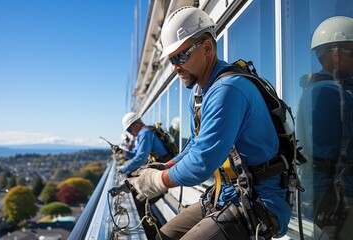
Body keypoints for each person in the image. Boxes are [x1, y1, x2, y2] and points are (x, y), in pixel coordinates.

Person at [126, 6, 290, 240]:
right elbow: (195, 145)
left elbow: (201, 162)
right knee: (162, 235)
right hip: (226, 196)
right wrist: (167, 166)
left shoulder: (228, 90)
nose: (175, 67)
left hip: (259, 204)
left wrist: (158, 181)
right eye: (172, 58)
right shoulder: (201, 94)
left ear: (207, 48)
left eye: (181, 56)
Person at [296, 16, 353, 239]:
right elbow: (321, 160)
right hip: (339, 208)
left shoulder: (327, 91)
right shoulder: (328, 94)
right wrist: (324, 206)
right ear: (336, 54)